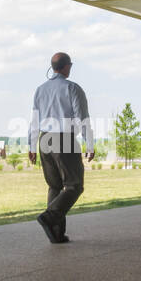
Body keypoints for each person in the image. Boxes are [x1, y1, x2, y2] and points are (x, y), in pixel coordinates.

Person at [28, 52, 93, 243]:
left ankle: (56, 234)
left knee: (54, 186)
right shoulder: (72, 88)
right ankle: (50, 216)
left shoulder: (40, 90)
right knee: (74, 185)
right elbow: (82, 118)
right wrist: (89, 143)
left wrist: (32, 146)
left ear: (52, 67)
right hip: (64, 138)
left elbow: (34, 120)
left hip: (44, 139)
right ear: (66, 67)